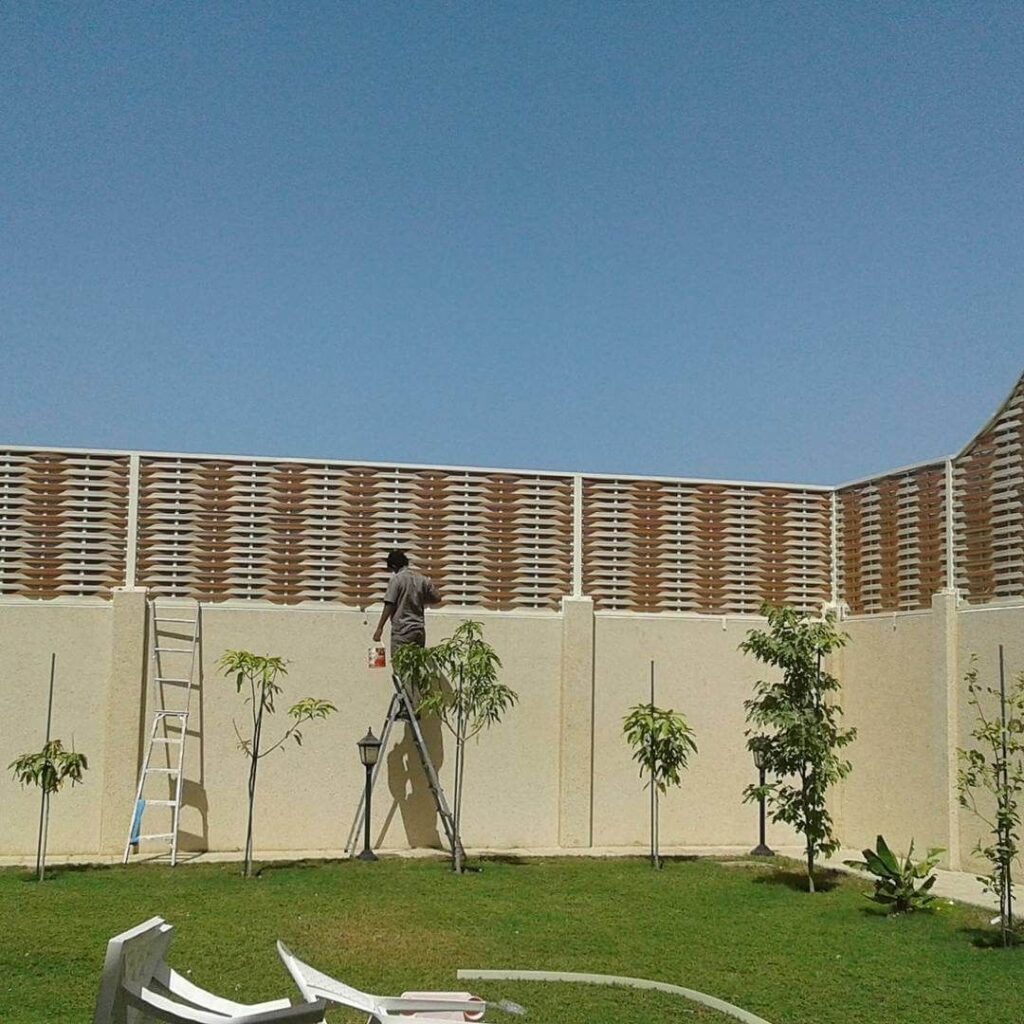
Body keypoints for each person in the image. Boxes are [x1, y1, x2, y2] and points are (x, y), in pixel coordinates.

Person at [372, 549, 441, 658]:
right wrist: (419, 599)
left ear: (394, 566)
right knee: (415, 664)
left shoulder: (397, 580)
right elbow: (437, 598)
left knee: (399, 663)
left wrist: (380, 628)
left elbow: (389, 604)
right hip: (418, 629)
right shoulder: (422, 579)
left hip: (402, 630)